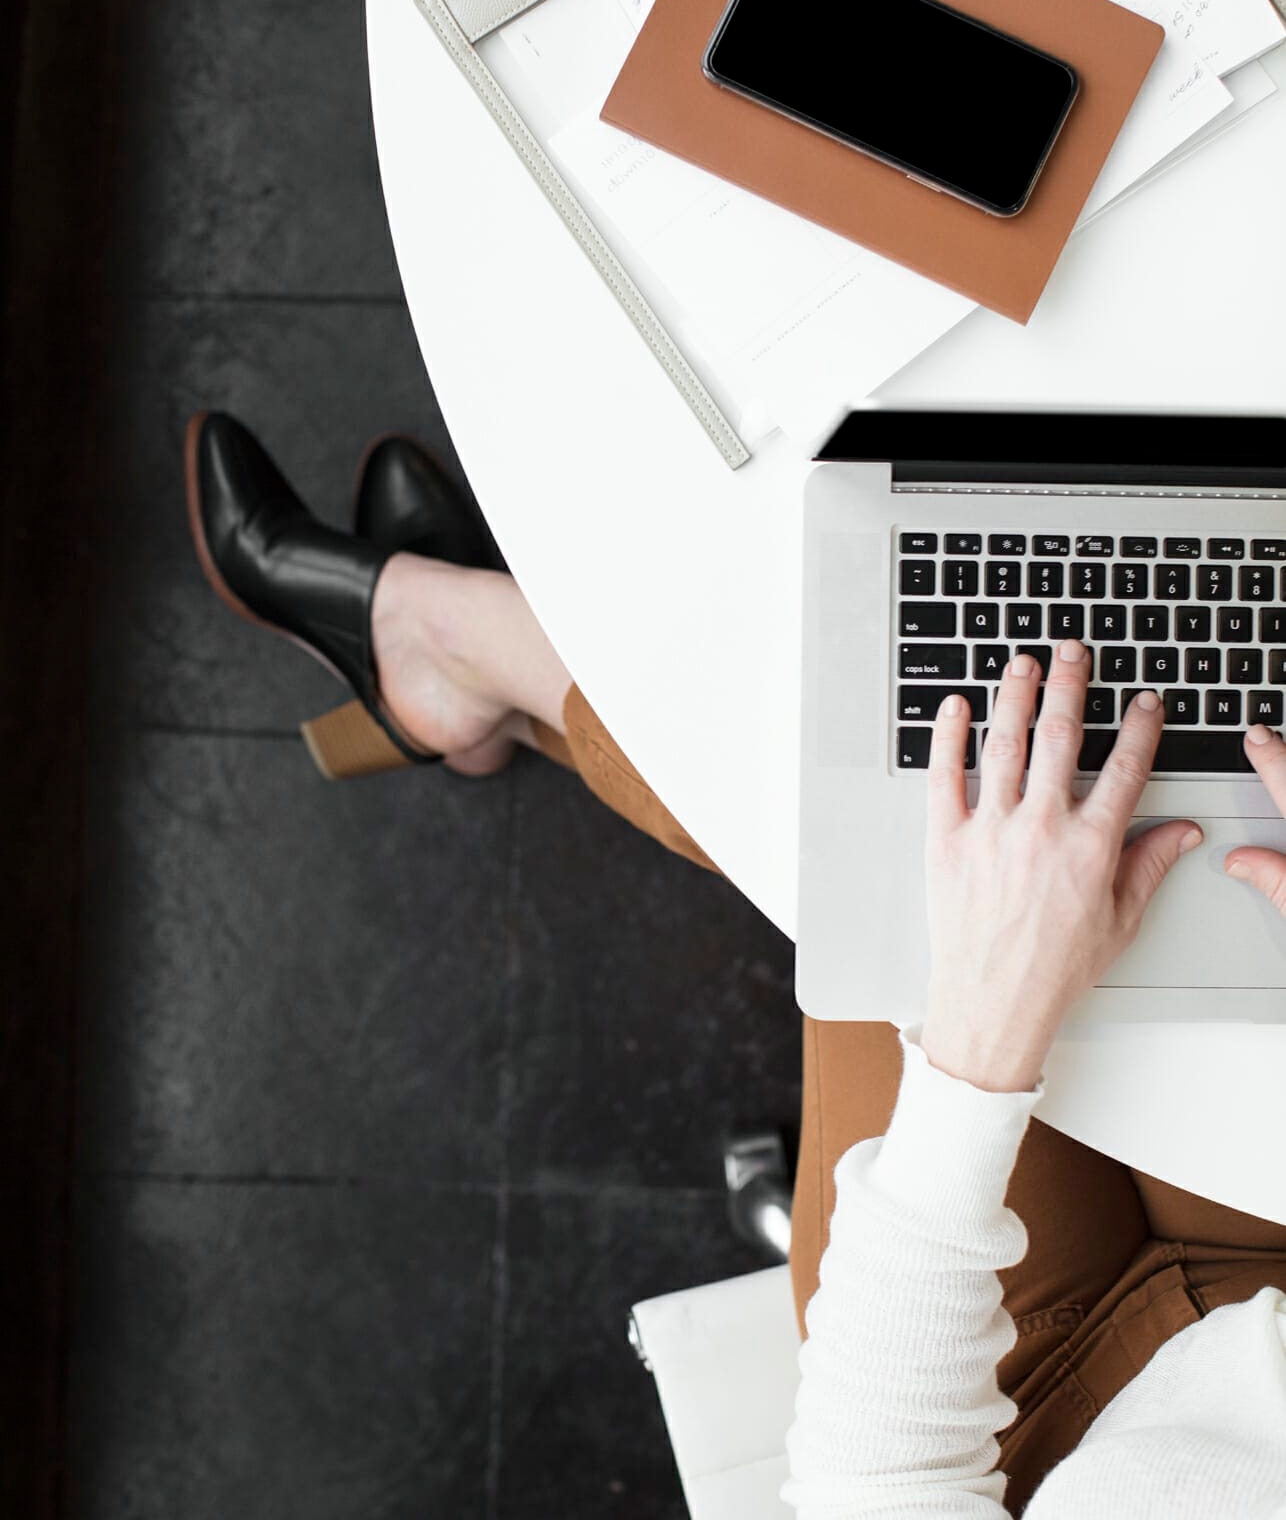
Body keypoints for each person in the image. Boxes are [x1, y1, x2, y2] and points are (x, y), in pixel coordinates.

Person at [188, 413, 1286, 1514]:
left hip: (1022, 1411)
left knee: (888, 818)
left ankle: (455, 646)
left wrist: (983, 1031)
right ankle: (483, 674)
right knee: (1052, 801)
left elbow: (873, 1483)